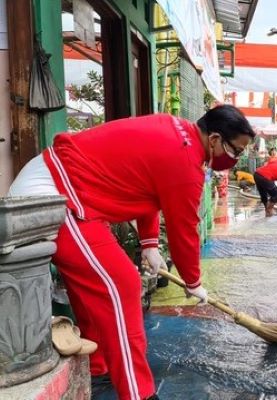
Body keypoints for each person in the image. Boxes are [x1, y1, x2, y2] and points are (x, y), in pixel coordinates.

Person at [7, 105, 255, 400]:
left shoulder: (176, 132)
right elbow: (184, 228)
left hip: (60, 184)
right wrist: (192, 281)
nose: (234, 159)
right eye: (235, 150)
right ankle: (138, 393)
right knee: (122, 285)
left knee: (97, 288)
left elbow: (147, 187)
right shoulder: (186, 161)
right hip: (54, 197)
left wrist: (149, 243)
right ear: (214, 139)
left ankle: (97, 369)